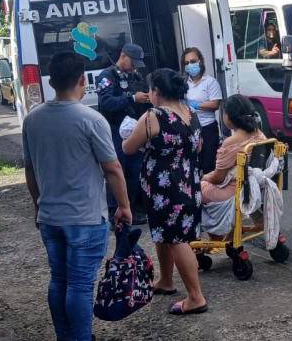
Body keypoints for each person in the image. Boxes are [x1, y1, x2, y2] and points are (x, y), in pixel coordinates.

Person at [23, 52, 132, 341]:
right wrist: (124, 205)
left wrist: (37, 205)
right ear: (82, 80)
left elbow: (30, 170)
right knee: (81, 286)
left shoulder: (32, 120)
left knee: (59, 281)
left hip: (49, 217)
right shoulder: (91, 119)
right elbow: (112, 168)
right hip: (85, 217)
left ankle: (65, 336)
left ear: (52, 81)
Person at [122, 68, 208, 316]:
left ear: (156, 92)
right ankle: (166, 281)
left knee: (177, 240)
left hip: (166, 189)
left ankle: (195, 297)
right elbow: (198, 146)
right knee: (163, 233)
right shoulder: (191, 113)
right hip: (188, 184)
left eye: (150, 89)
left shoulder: (153, 117)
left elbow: (128, 148)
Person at [97, 43, 151, 225]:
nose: (135, 67)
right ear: (123, 56)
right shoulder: (107, 76)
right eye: (133, 62)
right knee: (117, 170)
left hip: (134, 129)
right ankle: (114, 213)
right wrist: (131, 98)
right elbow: (106, 103)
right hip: (114, 130)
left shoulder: (135, 75)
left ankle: (132, 209)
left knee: (135, 170)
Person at [200, 94, 267, 236]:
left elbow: (218, 177)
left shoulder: (231, 142)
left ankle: (217, 234)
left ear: (229, 116)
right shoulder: (260, 134)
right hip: (254, 187)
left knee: (196, 189)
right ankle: (259, 221)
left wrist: (204, 177)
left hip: (237, 192)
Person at [181, 47, 222, 175]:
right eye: (186, 63)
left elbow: (215, 104)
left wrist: (195, 104)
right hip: (191, 128)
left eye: (193, 61)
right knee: (194, 164)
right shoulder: (184, 83)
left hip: (207, 128)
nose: (190, 65)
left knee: (208, 165)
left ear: (200, 61)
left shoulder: (210, 81)